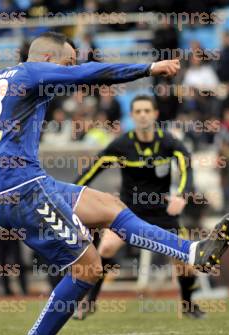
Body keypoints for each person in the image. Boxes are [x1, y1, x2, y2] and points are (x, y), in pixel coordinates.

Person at [0, 32, 229, 335]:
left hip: (24, 185)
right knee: (88, 269)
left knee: (109, 206)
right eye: (67, 63)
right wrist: (148, 68)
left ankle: (192, 252)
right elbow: (90, 74)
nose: (71, 70)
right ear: (47, 61)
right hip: (21, 191)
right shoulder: (32, 74)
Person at [74, 95, 204, 319]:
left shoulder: (168, 142)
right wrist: (71, 194)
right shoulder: (121, 144)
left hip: (162, 212)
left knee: (184, 262)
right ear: (132, 116)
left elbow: (187, 165)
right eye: (138, 111)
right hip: (128, 212)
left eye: (147, 110)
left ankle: (189, 306)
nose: (143, 115)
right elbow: (91, 170)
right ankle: (89, 303)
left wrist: (181, 195)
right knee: (105, 249)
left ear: (155, 114)